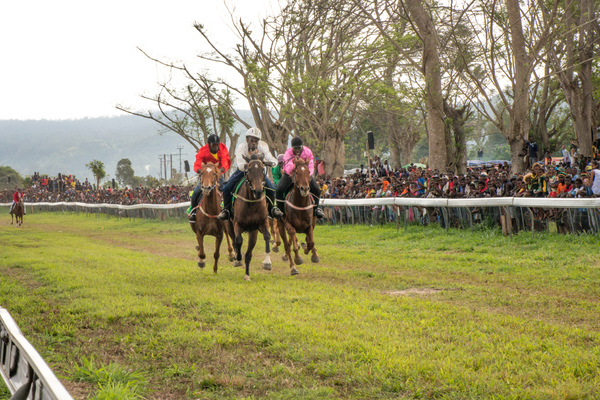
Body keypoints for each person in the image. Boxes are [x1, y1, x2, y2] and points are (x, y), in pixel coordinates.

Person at [217, 127, 279, 220]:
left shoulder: (263, 146)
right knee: (226, 188)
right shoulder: (241, 147)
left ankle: (272, 209)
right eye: (251, 140)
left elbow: (273, 160)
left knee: (272, 189)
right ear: (247, 140)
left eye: (256, 141)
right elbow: (241, 164)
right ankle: (226, 210)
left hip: (257, 172)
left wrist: (268, 163)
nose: (254, 143)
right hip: (242, 171)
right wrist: (250, 164)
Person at [271, 136, 325, 220]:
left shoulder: (307, 152)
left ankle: (316, 209)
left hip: (304, 174)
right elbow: (288, 168)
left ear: (302, 147)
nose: (297, 151)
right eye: (295, 149)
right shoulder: (288, 153)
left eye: (299, 148)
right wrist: (295, 165)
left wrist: (307, 175)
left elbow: (311, 165)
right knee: (279, 189)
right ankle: (279, 210)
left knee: (317, 190)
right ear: (292, 148)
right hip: (290, 174)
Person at [188, 134, 231, 223]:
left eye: (217, 145)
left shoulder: (222, 148)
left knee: (226, 190)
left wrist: (218, 171)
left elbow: (225, 163)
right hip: (205, 175)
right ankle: (193, 212)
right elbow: (197, 165)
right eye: (213, 146)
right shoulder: (203, 151)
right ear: (209, 144)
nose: (216, 148)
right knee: (196, 192)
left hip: (217, 174)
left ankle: (228, 211)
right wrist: (203, 172)